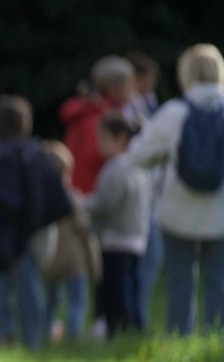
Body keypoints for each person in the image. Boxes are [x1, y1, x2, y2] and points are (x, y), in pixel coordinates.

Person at [127, 43, 224, 335]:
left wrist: (164, 156)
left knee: (180, 278)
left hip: (178, 210)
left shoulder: (174, 112)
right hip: (220, 212)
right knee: (218, 279)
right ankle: (214, 340)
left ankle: (180, 341)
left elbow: (137, 155)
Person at [0, 96, 72, 349]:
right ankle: (32, 339)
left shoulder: (0, 156)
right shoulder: (37, 154)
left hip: (6, 232)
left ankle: (5, 334)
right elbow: (56, 199)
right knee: (28, 286)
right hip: (32, 231)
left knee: (3, 284)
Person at [85, 112, 152, 335]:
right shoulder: (139, 165)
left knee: (115, 294)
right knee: (132, 290)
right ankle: (133, 332)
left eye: (104, 138)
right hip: (136, 238)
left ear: (121, 138)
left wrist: (78, 203)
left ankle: (118, 334)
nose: (99, 144)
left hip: (115, 239)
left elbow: (103, 205)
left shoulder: (116, 168)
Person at [37, 141, 100, 342]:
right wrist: (95, 266)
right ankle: (73, 336)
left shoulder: (40, 201)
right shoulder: (72, 200)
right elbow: (86, 234)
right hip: (74, 263)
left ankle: (44, 333)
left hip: (49, 262)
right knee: (76, 302)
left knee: (50, 301)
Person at [125, 50, 164, 328]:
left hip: (151, 190)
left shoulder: (149, 105)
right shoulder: (130, 109)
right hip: (139, 189)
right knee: (148, 257)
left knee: (149, 258)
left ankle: (137, 317)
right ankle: (135, 318)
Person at [59, 56, 135, 195]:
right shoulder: (98, 116)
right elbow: (94, 154)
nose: (132, 90)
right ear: (113, 88)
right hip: (88, 191)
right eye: (128, 84)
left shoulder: (99, 110)